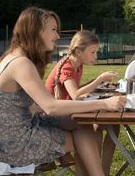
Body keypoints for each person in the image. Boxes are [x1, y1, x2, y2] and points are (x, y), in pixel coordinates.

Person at [0, 7, 126, 176]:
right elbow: (50, 107)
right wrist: (104, 103)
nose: (57, 36)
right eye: (53, 30)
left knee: (83, 124)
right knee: (83, 134)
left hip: (10, 131)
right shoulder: (21, 63)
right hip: (11, 143)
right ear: (34, 30)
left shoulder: (14, 57)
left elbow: (35, 104)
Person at [45, 30, 119, 175]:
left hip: (66, 111)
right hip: (51, 116)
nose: (95, 56)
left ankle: (103, 170)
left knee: (112, 125)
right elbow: (76, 95)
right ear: (79, 51)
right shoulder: (67, 66)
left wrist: (97, 84)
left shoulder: (77, 64)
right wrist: (99, 79)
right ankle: (91, 171)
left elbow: (76, 91)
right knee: (90, 125)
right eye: (93, 52)